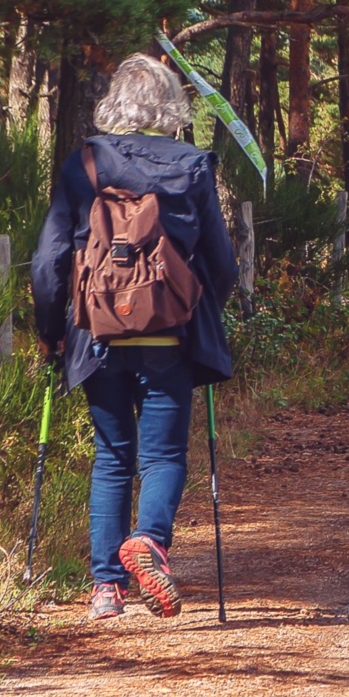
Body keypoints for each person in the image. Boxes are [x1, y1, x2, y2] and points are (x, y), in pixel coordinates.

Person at [32, 54, 237, 621]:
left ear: (115, 102)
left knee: (113, 456)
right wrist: (203, 316)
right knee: (165, 454)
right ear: (170, 105)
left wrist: (51, 335)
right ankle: (148, 541)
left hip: (97, 336)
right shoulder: (193, 165)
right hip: (169, 335)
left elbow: (48, 261)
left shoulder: (84, 165)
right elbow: (221, 264)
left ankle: (105, 589)